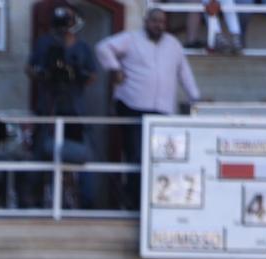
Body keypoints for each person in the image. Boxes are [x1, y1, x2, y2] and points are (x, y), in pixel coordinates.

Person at [96, 8, 201, 209]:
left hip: (162, 109)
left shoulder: (173, 44)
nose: (158, 25)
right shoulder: (131, 38)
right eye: (154, 21)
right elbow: (103, 48)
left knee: (159, 156)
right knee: (136, 155)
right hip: (133, 105)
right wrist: (115, 68)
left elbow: (185, 74)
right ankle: (134, 203)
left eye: (161, 22)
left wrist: (196, 98)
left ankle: (152, 201)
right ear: (146, 21)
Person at [26, 5, 99, 209]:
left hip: (75, 109)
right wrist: (43, 74)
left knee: (83, 153)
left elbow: (93, 75)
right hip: (48, 107)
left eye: (67, 23)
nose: (64, 29)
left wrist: (77, 74)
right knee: (41, 151)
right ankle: (36, 199)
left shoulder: (83, 47)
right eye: (61, 24)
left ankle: (86, 200)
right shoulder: (44, 44)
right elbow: (29, 68)